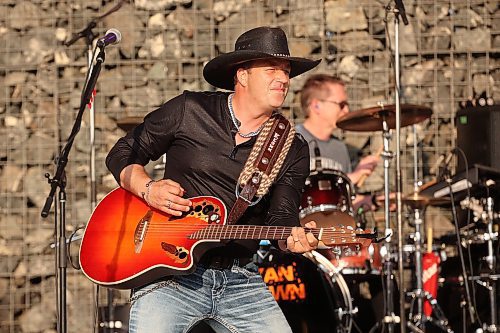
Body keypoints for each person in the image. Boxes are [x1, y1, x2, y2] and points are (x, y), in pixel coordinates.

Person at [105, 26, 321, 333]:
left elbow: (282, 217)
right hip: (170, 275)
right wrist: (148, 188)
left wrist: (293, 239)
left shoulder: (292, 146)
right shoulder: (189, 110)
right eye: (272, 69)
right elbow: (122, 152)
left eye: (286, 72)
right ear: (242, 75)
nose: (284, 79)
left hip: (240, 278)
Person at [296, 74, 381, 212]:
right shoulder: (293, 141)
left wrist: (374, 201)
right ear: (316, 106)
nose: (346, 110)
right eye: (341, 105)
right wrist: (352, 177)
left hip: (333, 229)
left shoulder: (340, 148)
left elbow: (341, 203)